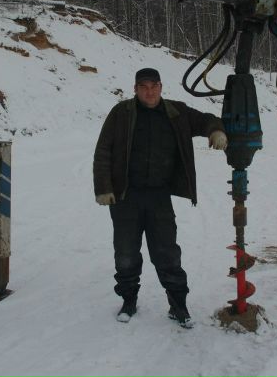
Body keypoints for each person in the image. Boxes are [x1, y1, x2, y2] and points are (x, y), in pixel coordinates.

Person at [93, 67, 227, 328]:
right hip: (125, 198)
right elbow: (103, 151)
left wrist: (216, 131)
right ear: (135, 89)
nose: (149, 91)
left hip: (159, 197)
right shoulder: (121, 113)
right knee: (126, 253)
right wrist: (103, 188)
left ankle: (178, 305)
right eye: (143, 86)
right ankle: (128, 301)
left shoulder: (176, 112)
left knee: (167, 253)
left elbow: (206, 119)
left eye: (154, 85)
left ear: (161, 87)